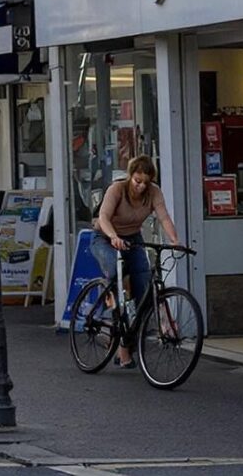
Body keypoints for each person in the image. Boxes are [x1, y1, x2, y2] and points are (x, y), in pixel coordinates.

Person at [94, 153, 181, 368]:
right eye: (137, 181)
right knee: (116, 271)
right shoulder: (117, 190)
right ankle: (107, 317)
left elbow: (164, 217)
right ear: (130, 176)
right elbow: (103, 217)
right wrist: (113, 237)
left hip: (133, 239)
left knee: (144, 292)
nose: (141, 186)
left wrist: (175, 240)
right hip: (105, 237)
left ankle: (126, 346)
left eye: (146, 182)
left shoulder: (154, 192)